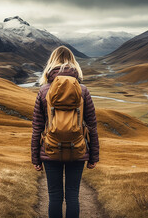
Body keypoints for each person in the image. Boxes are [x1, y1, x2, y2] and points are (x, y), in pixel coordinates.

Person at [31, 45, 99, 218]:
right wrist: (93, 156)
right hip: (77, 148)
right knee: (72, 195)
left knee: (54, 196)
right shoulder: (83, 91)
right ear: (74, 64)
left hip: (50, 148)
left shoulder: (44, 90)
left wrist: (36, 157)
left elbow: (37, 127)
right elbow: (91, 126)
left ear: (51, 64)